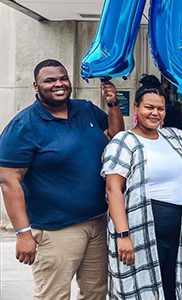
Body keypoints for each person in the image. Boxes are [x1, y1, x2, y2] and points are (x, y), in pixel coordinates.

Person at [0, 58, 124, 299]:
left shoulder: (85, 109)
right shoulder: (23, 125)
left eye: (63, 78)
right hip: (56, 230)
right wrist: (23, 233)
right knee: (54, 295)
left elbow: (115, 137)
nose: (59, 84)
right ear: (36, 86)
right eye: (50, 80)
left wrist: (113, 105)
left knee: (96, 293)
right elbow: (8, 180)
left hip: (97, 222)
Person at [101, 74, 182, 299]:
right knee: (142, 288)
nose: (155, 113)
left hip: (178, 228)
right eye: (149, 107)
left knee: (172, 286)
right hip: (139, 228)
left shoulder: (173, 137)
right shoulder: (124, 141)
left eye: (160, 109)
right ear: (136, 108)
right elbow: (113, 190)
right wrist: (123, 235)